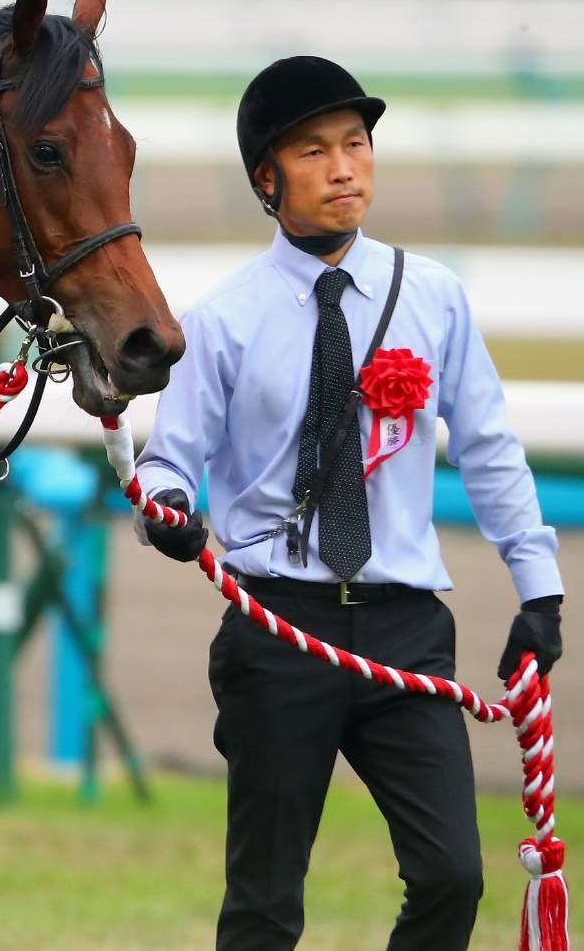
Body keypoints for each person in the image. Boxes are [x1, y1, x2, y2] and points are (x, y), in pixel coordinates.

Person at [136, 56, 565, 950]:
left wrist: (539, 590)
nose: (343, 168)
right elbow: (168, 460)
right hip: (277, 630)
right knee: (263, 904)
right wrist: (165, 507)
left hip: (406, 628)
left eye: (356, 144)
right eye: (313, 151)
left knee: (452, 875)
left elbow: (488, 448)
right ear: (265, 178)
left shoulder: (434, 298)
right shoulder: (220, 318)